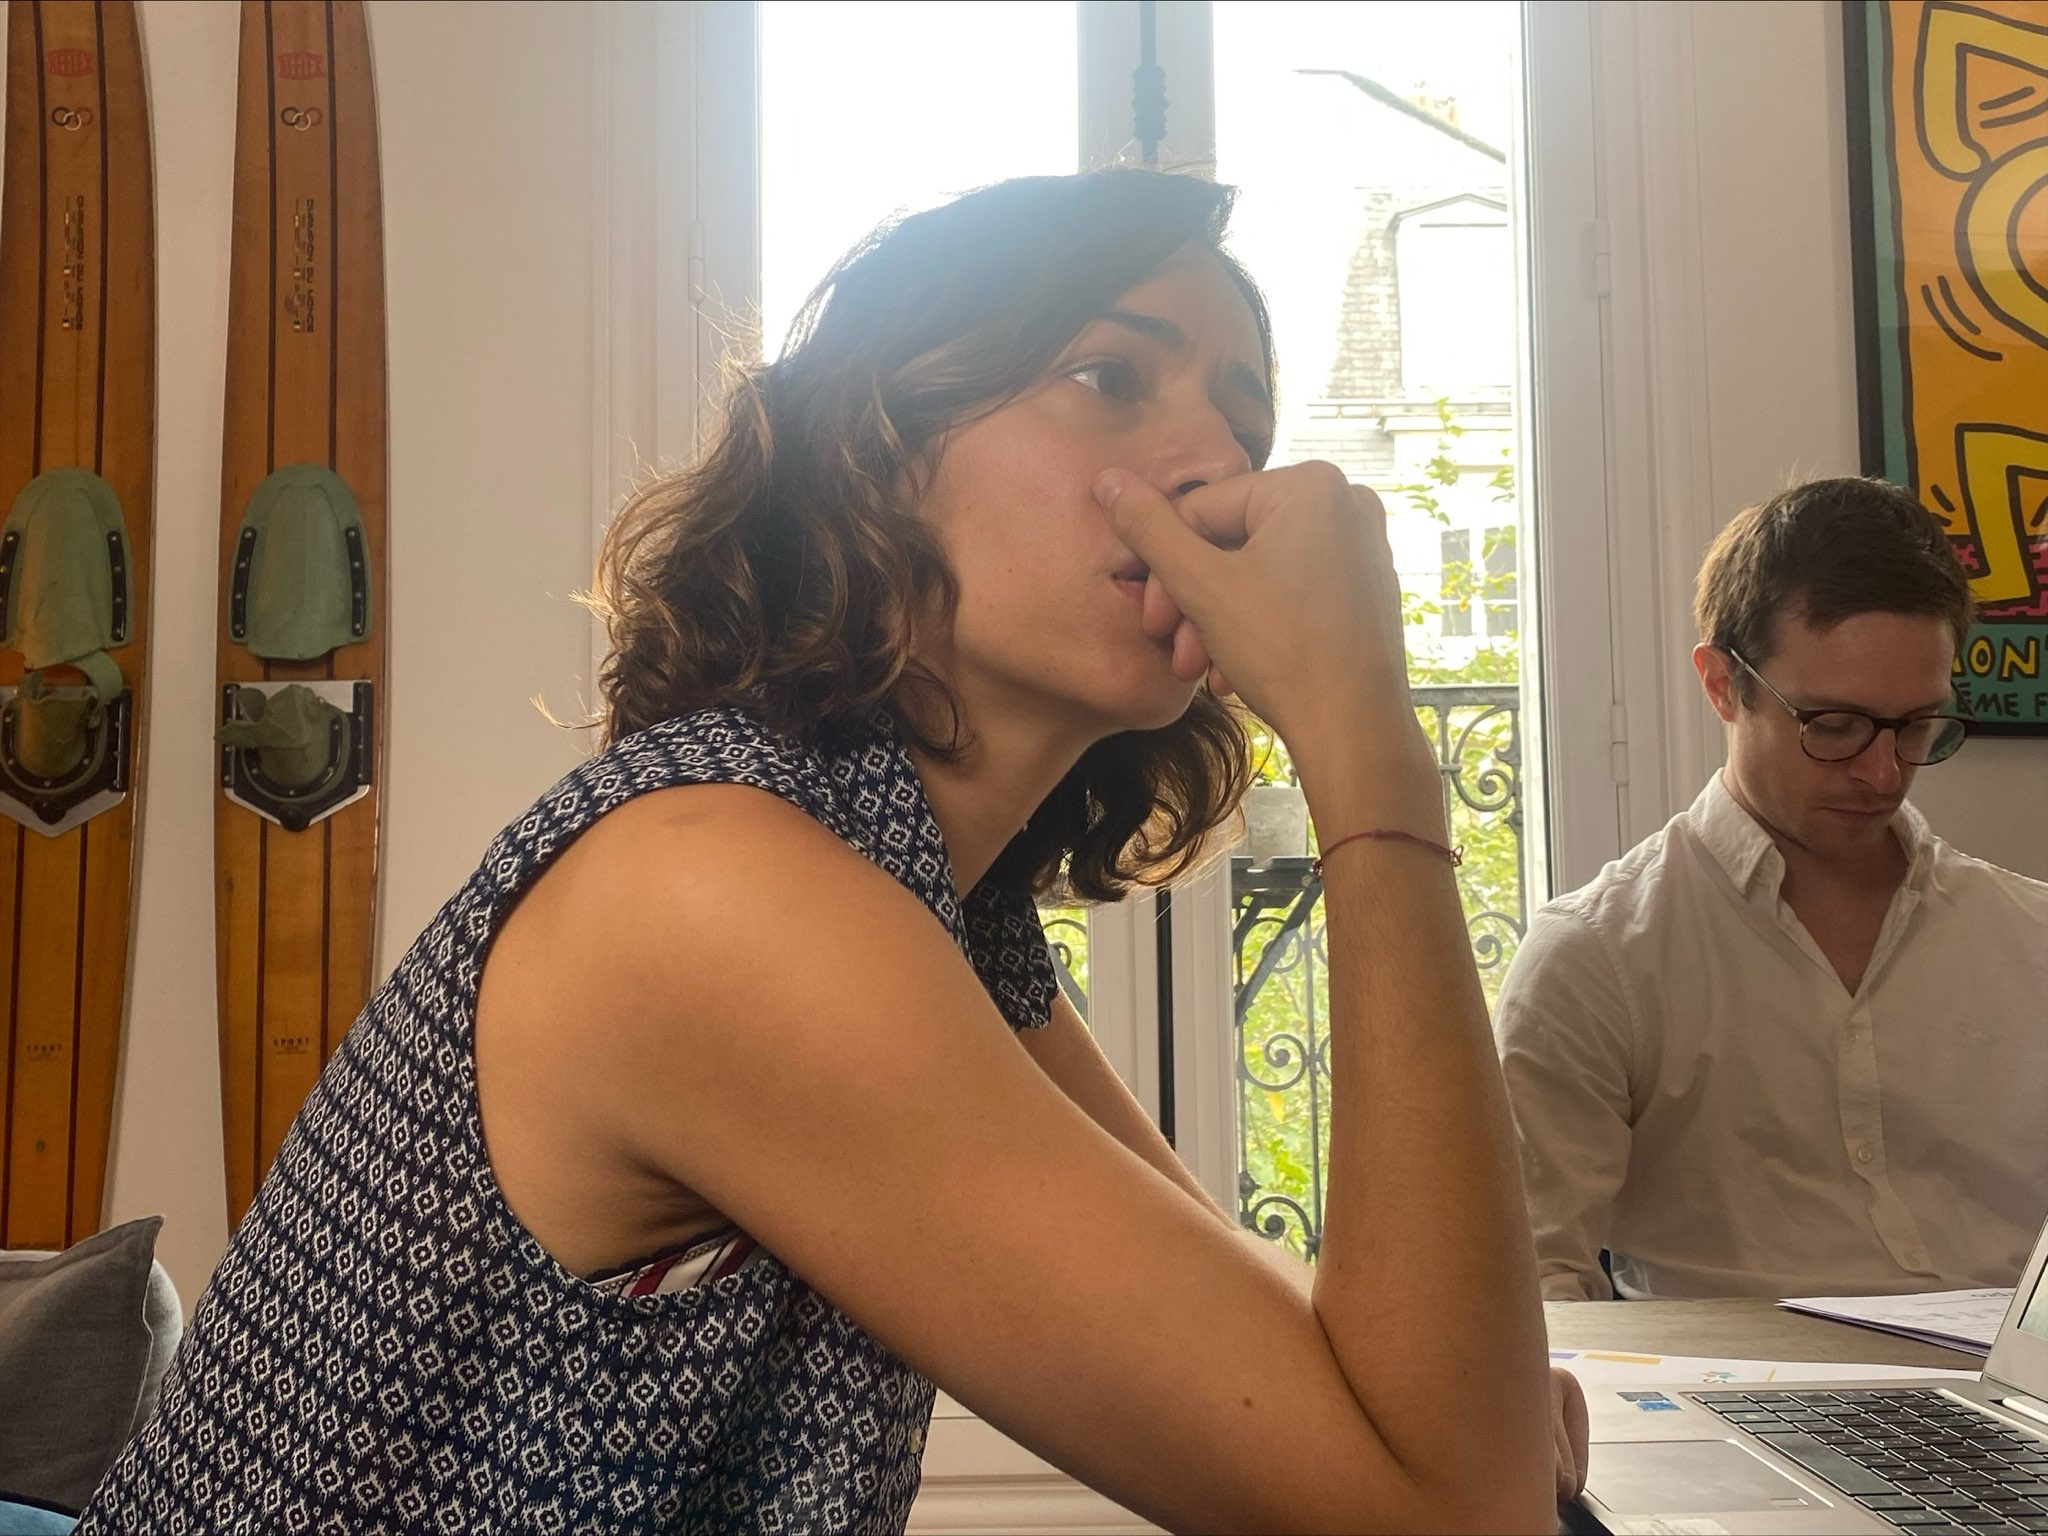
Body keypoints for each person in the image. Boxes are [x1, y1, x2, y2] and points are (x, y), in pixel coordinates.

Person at [78, 171, 1582, 1535]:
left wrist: (1472, 1399)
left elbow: (1355, 1396)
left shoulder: (931, 906)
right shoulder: (720, 897)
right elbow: (1449, 1516)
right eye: (1109, 378)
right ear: (878, 449)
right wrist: (1363, 738)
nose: (1217, 468)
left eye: (1245, 422)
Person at [1496, 476, 2048, 1304]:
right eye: (1835, 724)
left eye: (1917, 725)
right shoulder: (1598, 961)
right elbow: (1534, 1289)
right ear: (1723, 683)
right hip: (1732, 1375)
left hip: (2009, 1379)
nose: (1883, 772)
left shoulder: (2031, 939)